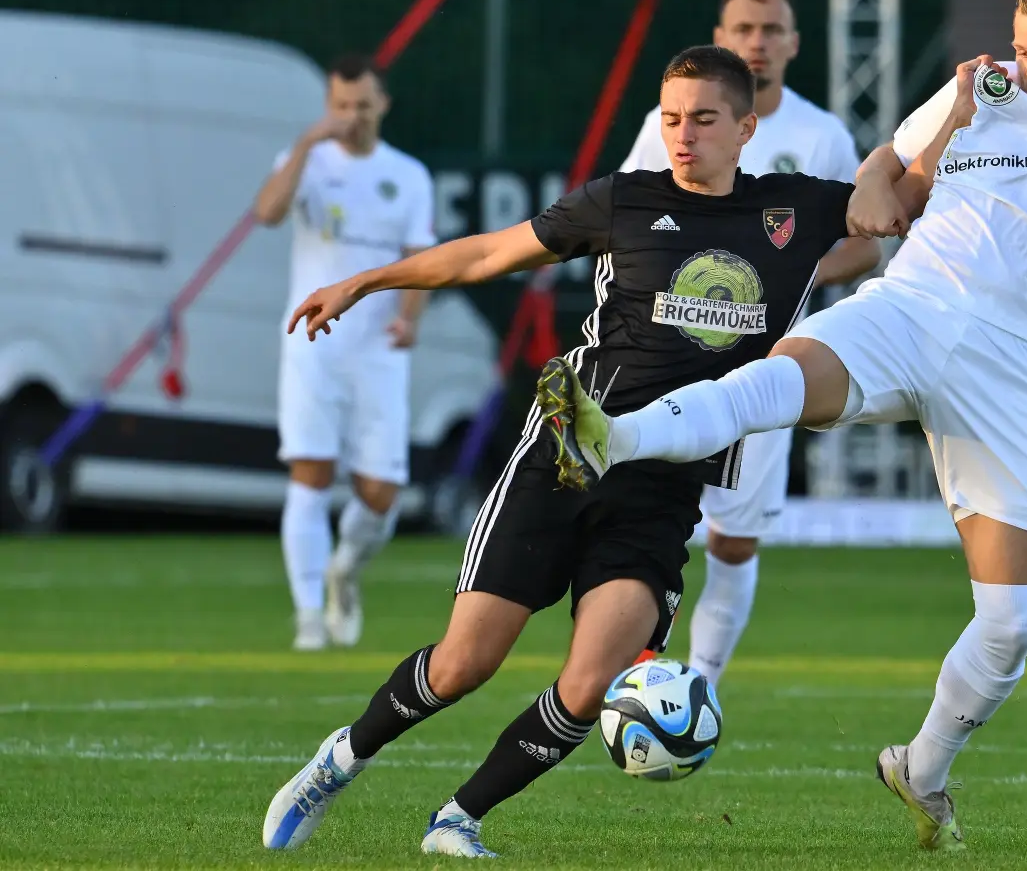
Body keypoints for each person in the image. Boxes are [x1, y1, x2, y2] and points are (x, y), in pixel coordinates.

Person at [537, 0, 1027, 851]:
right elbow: (886, 168)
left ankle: (922, 768)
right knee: (778, 377)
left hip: (1008, 369)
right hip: (906, 311)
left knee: (1012, 626)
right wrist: (881, 177)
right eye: (1023, 47)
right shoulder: (983, 86)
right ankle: (611, 435)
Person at [261, 45, 861, 858]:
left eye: (705, 120)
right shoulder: (624, 200)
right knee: (464, 664)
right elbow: (484, 254)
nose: (683, 136)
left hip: (663, 490)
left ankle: (457, 821)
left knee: (587, 685)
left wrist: (975, 105)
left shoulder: (800, 211)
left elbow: (909, 199)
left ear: (747, 128)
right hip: (565, 459)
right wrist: (367, 282)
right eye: (671, 118)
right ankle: (338, 763)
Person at [618, 0, 879, 685]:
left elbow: (866, 241)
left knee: (733, 541)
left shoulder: (821, 134)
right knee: (643, 521)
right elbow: (624, 220)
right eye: (742, 30)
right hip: (666, 357)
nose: (756, 43)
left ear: (794, 43)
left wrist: (795, 275)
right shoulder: (665, 123)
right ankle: (638, 669)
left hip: (762, 369)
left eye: (770, 31)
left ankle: (701, 684)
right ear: (721, 37)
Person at [252, 53, 437, 651]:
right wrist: (307, 143)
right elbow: (267, 213)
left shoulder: (408, 174)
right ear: (328, 107)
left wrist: (408, 322)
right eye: (340, 106)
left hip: (378, 351)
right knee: (310, 474)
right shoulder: (306, 162)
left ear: (382, 105)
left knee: (381, 493)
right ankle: (308, 614)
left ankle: (344, 572)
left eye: (362, 105)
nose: (351, 117)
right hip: (313, 343)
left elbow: (420, 263)